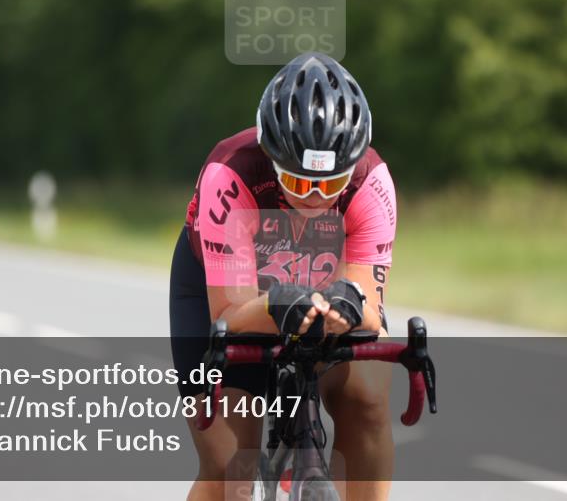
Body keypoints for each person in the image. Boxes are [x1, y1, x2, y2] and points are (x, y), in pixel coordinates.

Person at [170, 53, 397, 501]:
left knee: (368, 400)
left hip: (322, 290)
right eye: (297, 182)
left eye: (331, 185)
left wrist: (348, 306)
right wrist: (280, 303)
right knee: (228, 464)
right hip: (231, 294)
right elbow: (231, 314)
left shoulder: (372, 182)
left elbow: (368, 309)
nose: (314, 197)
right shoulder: (231, 173)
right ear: (272, 160)